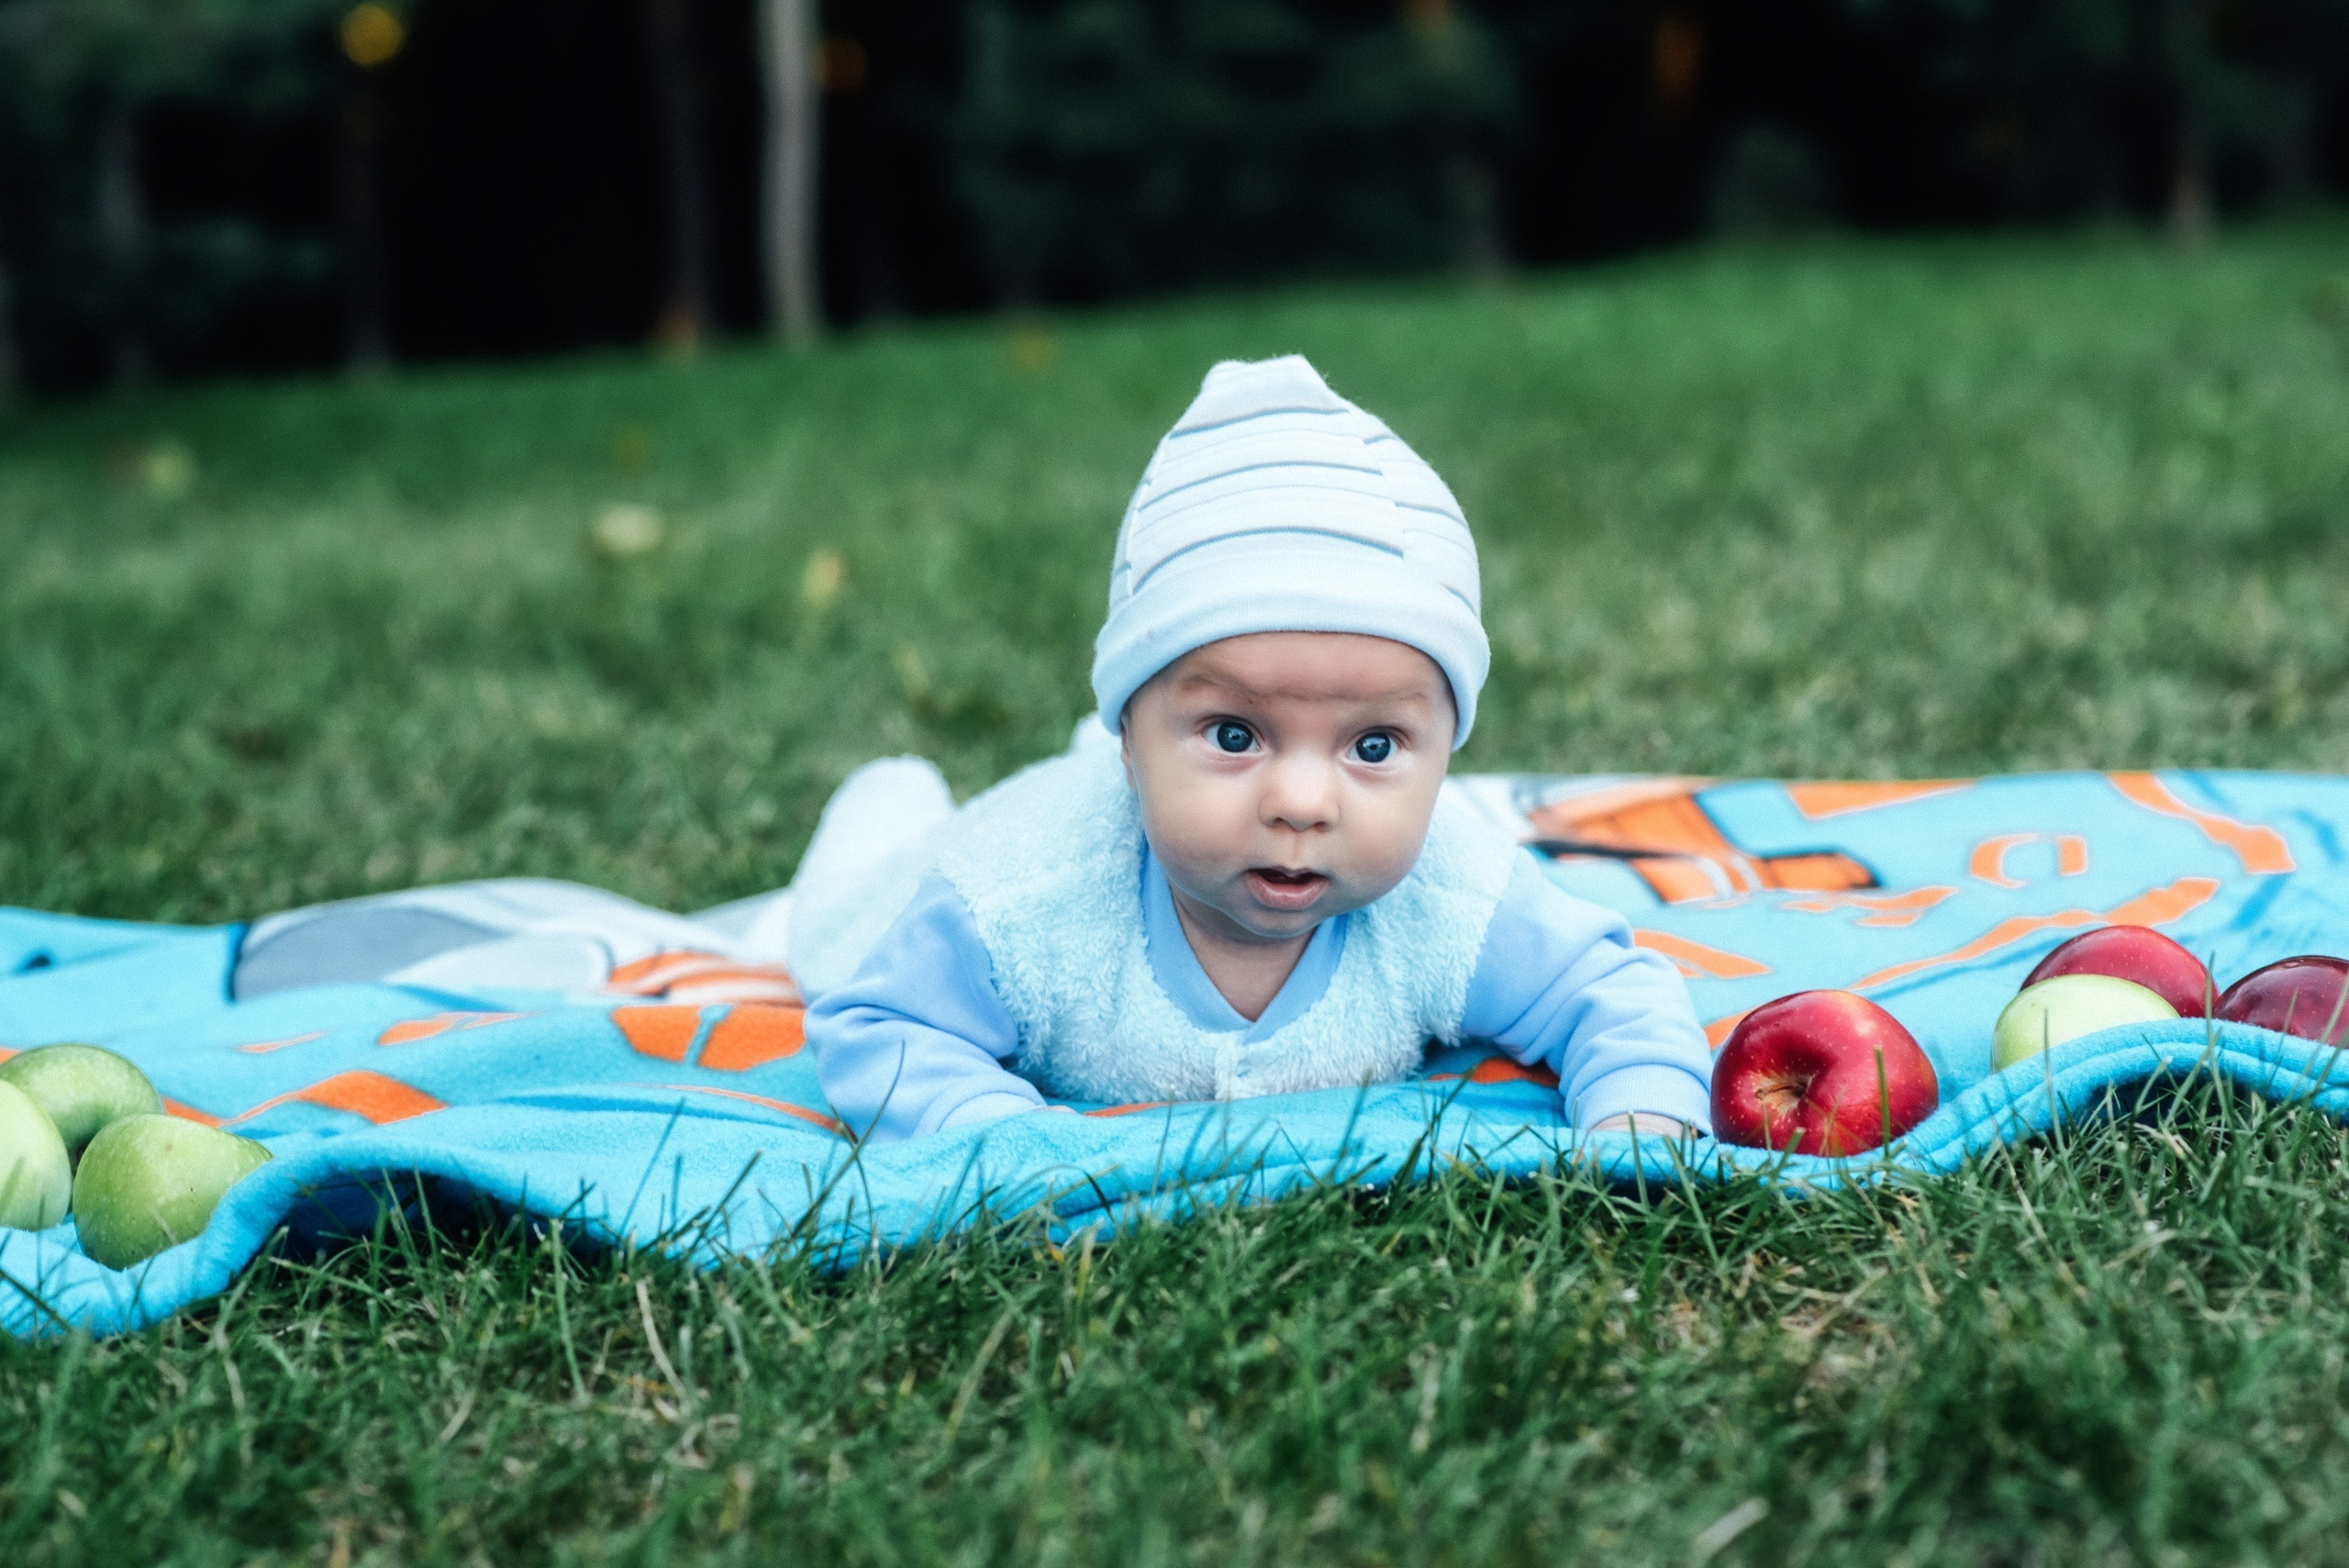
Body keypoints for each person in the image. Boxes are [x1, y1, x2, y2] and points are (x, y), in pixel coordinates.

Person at [804, 355, 1713, 1144]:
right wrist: (1004, 1139)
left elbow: (1607, 991)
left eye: (1373, 744)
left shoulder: (1451, 899)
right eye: (1236, 734)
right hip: (982, 842)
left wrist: (1640, 1114)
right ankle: (888, 794)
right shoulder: (1019, 905)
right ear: (1132, 733)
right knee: (834, 913)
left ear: (1446, 751)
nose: (1303, 799)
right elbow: (879, 1022)